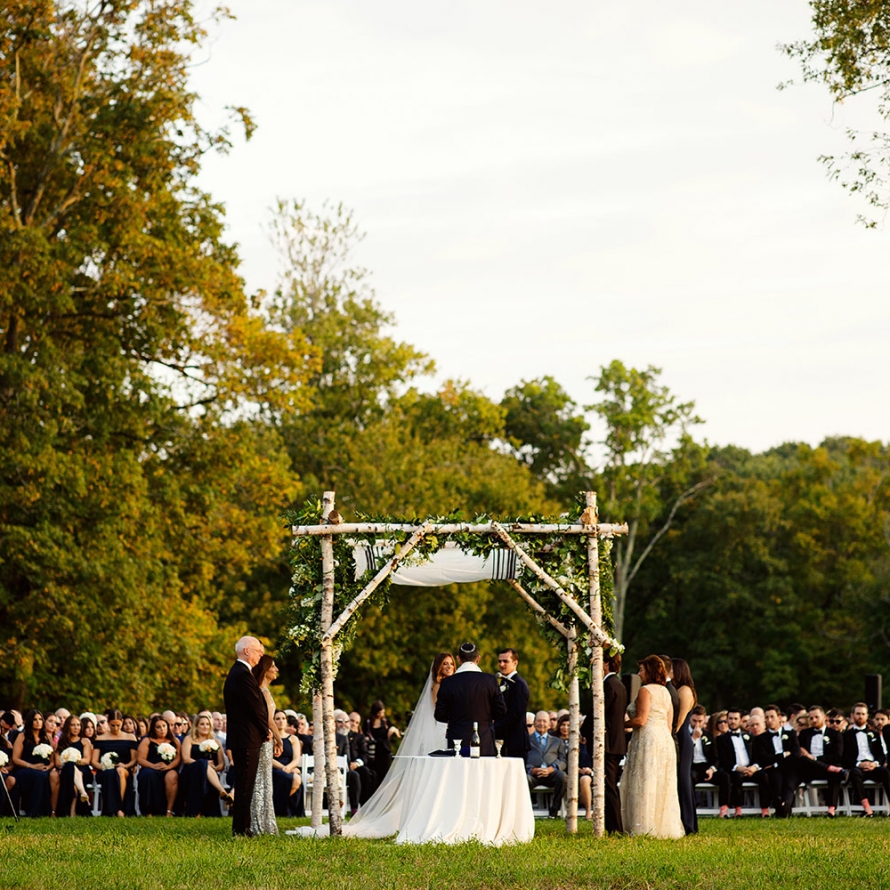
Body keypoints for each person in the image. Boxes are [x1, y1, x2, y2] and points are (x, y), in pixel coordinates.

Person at [620, 654, 684, 839]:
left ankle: (643, 826)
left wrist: (620, 725)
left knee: (644, 781)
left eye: (642, 670)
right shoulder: (666, 692)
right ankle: (663, 827)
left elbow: (641, 720)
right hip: (664, 740)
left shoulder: (645, 690)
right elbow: (669, 724)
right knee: (662, 783)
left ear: (650, 672)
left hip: (648, 739)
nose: (639, 674)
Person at [223, 635, 272, 837]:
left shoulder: (239, 672)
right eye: (258, 651)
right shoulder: (242, 675)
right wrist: (265, 730)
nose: (261, 655)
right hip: (246, 737)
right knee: (245, 785)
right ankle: (241, 829)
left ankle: (242, 826)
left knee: (245, 784)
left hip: (242, 737)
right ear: (246, 651)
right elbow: (255, 707)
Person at [434, 641, 506, 756]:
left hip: (457, 741)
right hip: (484, 740)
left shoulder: (448, 683)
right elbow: (501, 711)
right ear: (478, 659)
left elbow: (439, 714)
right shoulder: (490, 680)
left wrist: (455, 718)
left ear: (458, 659)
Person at [395, 652, 454, 758]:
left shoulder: (449, 685)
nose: (449, 666)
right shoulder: (438, 685)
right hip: (442, 726)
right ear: (439, 667)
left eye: (451, 664)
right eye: (445, 664)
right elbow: (438, 708)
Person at [249, 653, 281, 835]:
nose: (276, 669)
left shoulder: (258, 691)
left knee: (261, 780)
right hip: (264, 740)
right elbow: (269, 720)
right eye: (273, 666)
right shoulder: (264, 692)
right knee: (262, 780)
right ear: (265, 669)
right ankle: (262, 824)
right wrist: (279, 738)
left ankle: (259, 821)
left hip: (262, 740)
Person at [180, 711, 231, 817]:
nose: (205, 727)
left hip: (211, 774)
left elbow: (221, 764)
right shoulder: (189, 739)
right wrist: (203, 764)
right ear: (196, 726)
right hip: (191, 772)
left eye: (207, 724)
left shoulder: (216, 742)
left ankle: (205, 811)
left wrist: (211, 769)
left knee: (204, 768)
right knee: (202, 764)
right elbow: (185, 758)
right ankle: (222, 791)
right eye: (202, 724)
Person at [90, 709, 138, 817]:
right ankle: (118, 810)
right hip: (105, 771)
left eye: (118, 725)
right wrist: (104, 767)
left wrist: (125, 765)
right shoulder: (100, 738)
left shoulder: (130, 737)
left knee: (119, 771)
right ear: (108, 722)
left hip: (124, 770)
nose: (115, 728)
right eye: (112, 725)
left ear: (122, 722)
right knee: (111, 774)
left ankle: (118, 808)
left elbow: (134, 759)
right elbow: (94, 761)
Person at [11, 709, 57, 816]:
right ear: (30, 721)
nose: (38, 722)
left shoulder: (47, 737)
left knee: (45, 776)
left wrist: (49, 767)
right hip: (25, 768)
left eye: (40, 719)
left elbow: (53, 760)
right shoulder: (22, 736)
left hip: (43, 769)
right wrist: (31, 766)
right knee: (39, 776)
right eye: (35, 719)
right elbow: (15, 759)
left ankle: (48, 811)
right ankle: (34, 811)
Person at [671, 657, 697, 834]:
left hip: (682, 739)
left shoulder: (685, 690)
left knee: (683, 779)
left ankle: (689, 822)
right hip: (678, 737)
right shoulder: (678, 689)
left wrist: (670, 733)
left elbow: (679, 720)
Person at [136, 715, 181, 816]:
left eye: (164, 726)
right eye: (158, 727)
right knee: (148, 775)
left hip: (169, 768)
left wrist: (169, 767)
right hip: (151, 767)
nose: (162, 729)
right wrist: (153, 766)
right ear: (153, 728)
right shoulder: (147, 740)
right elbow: (140, 759)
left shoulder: (175, 741)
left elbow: (178, 758)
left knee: (172, 776)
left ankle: (169, 810)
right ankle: (148, 811)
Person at [526, 710, 567, 818]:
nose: (542, 724)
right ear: (534, 723)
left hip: (551, 774)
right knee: (524, 779)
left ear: (549, 724)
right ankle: (526, 812)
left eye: (544, 721)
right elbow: (523, 759)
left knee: (563, 777)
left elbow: (563, 760)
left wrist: (552, 768)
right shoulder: (526, 740)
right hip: (533, 775)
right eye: (539, 721)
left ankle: (554, 811)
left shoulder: (557, 742)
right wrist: (532, 770)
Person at [52, 714, 93, 817]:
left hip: (83, 770)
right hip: (66, 770)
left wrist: (73, 761)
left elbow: (87, 760)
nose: (76, 727)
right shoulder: (61, 742)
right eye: (73, 725)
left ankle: (70, 809)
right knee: (70, 770)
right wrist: (69, 763)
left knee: (71, 768)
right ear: (68, 727)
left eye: (78, 725)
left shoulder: (85, 741)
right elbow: (58, 763)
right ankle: (78, 800)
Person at [364, 700, 401, 780]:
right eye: (379, 713)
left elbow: (395, 729)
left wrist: (392, 729)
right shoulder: (368, 722)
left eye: (382, 712)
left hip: (384, 752)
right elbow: (364, 734)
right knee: (374, 775)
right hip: (373, 753)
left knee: (385, 775)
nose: (381, 715)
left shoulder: (385, 721)